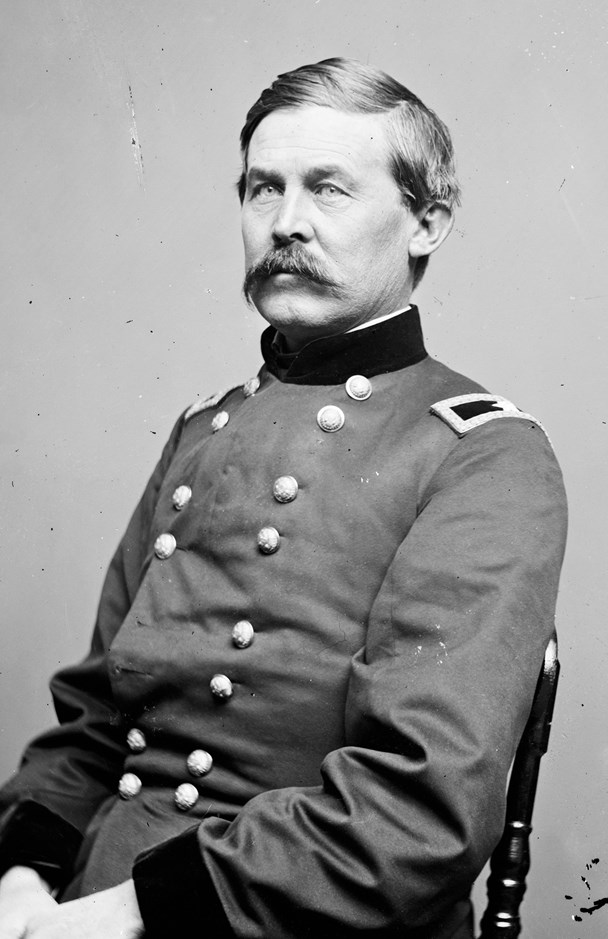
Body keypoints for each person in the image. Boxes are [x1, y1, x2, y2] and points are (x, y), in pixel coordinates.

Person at [0, 57, 567, 939]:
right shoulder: (203, 429)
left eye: (328, 189)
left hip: (256, 914)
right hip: (81, 898)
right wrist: (20, 880)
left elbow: (417, 812)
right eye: (264, 188)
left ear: (427, 222)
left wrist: (128, 913)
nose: (286, 221)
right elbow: (94, 722)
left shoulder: (483, 454)